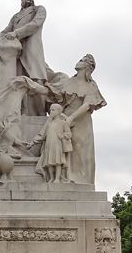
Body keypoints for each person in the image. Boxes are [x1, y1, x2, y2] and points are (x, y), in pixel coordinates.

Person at [20, 54, 107, 184]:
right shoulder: (68, 82)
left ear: (88, 67)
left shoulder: (91, 85)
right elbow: (50, 92)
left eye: (82, 60)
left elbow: (87, 104)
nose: (79, 61)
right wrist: (31, 85)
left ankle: (82, 182)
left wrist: (71, 118)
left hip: (81, 121)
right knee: (63, 150)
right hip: (64, 120)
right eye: (80, 59)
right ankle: (65, 178)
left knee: (81, 151)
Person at [0, 0, 48, 116]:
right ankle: (23, 113)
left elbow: (35, 25)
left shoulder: (39, 10)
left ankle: (41, 115)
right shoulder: (15, 17)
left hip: (32, 49)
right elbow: (6, 31)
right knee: (19, 83)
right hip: (17, 53)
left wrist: (16, 33)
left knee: (37, 80)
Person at [29, 103, 73, 183]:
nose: (51, 112)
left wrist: (62, 135)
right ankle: (51, 178)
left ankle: (57, 178)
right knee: (49, 162)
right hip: (49, 146)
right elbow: (42, 134)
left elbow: (69, 134)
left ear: (59, 111)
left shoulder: (63, 123)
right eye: (50, 110)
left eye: (53, 110)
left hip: (58, 145)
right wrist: (33, 142)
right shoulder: (48, 123)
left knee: (58, 162)